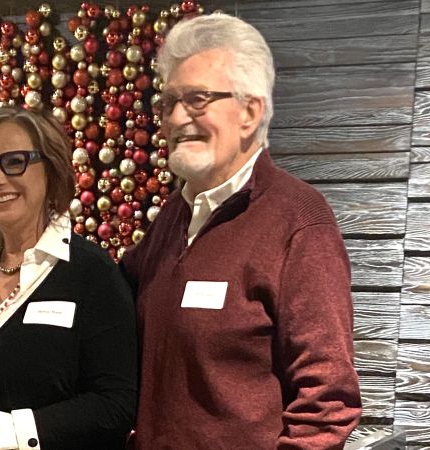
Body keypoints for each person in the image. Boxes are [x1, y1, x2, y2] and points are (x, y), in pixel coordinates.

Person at [121, 12, 362, 449]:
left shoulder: (299, 221)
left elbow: (327, 403)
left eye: (196, 99)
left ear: (250, 112)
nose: (176, 118)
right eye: (168, 102)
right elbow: (113, 295)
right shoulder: (174, 215)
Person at [0, 106, 137, 450]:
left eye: (15, 162)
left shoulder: (92, 274)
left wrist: (7, 433)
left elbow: (115, 405)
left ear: (51, 169)